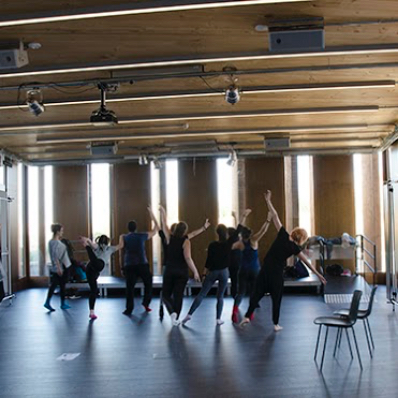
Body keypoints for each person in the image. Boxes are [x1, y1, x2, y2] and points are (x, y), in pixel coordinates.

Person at [240, 191, 327, 331]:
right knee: (276, 298)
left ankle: (247, 316)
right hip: (276, 273)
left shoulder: (283, 234)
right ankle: (275, 324)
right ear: (301, 239)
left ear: (293, 232)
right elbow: (306, 262)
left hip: (265, 268)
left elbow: (274, 216)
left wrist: (268, 200)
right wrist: (318, 274)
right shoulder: (295, 248)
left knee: (257, 293)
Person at [182, 219, 244, 326]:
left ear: (217, 233)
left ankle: (189, 314)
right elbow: (238, 230)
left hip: (213, 272)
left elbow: (208, 261)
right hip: (224, 272)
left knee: (202, 294)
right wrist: (243, 216)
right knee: (220, 296)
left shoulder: (212, 245)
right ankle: (218, 319)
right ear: (225, 233)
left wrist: (204, 273)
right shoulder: (228, 244)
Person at [159, 205, 204, 326]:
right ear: (184, 231)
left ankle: (173, 314)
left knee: (166, 295)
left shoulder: (169, 237)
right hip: (181, 272)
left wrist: (163, 213)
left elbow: (164, 224)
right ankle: (175, 317)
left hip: (169, 270)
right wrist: (195, 271)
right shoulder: (186, 241)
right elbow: (188, 258)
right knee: (178, 295)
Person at [231, 209, 270, 323]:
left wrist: (241, 216)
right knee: (254, 291)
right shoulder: (254, 240)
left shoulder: (240, 243)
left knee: (241, 292)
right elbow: (263, 231)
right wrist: (268, 219)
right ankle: (250, 313)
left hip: (243, 270)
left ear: (242, 235)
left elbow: (235, 237)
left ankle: (235, 310)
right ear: (250, 234)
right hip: (254, 270)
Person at [120, 207, 159, 315]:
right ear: (136, 228)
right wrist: (152, 214)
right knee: (148, 283)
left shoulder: (124, 237)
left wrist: (122, 266)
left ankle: (129, 309)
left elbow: (121, 253)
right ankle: (146, 302)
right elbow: (156, 229)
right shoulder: (141, 236)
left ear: (128, 228)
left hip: (129, 265)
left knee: (130, 288)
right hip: (142, 264)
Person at [79, 234, 123, 320]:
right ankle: (86, 247)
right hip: (96, 266)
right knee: (96, 263)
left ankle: (92, 312)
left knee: (94, 290)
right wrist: (122, 237)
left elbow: (90, 242)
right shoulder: (109, 248)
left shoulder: (97, 246)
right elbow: (121, 245)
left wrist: (86, 239)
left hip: (90, 270)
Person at [44, 223, 72, 311]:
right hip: (60, 267)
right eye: (61, 231)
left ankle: (59, 303)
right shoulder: (56, 243)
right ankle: (51, 302)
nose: (62, 232)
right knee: (58, 285)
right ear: (57, 231)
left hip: (60, 266)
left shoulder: (52, 242)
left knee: (58, 285)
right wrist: (59, 268)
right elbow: (55, 256)